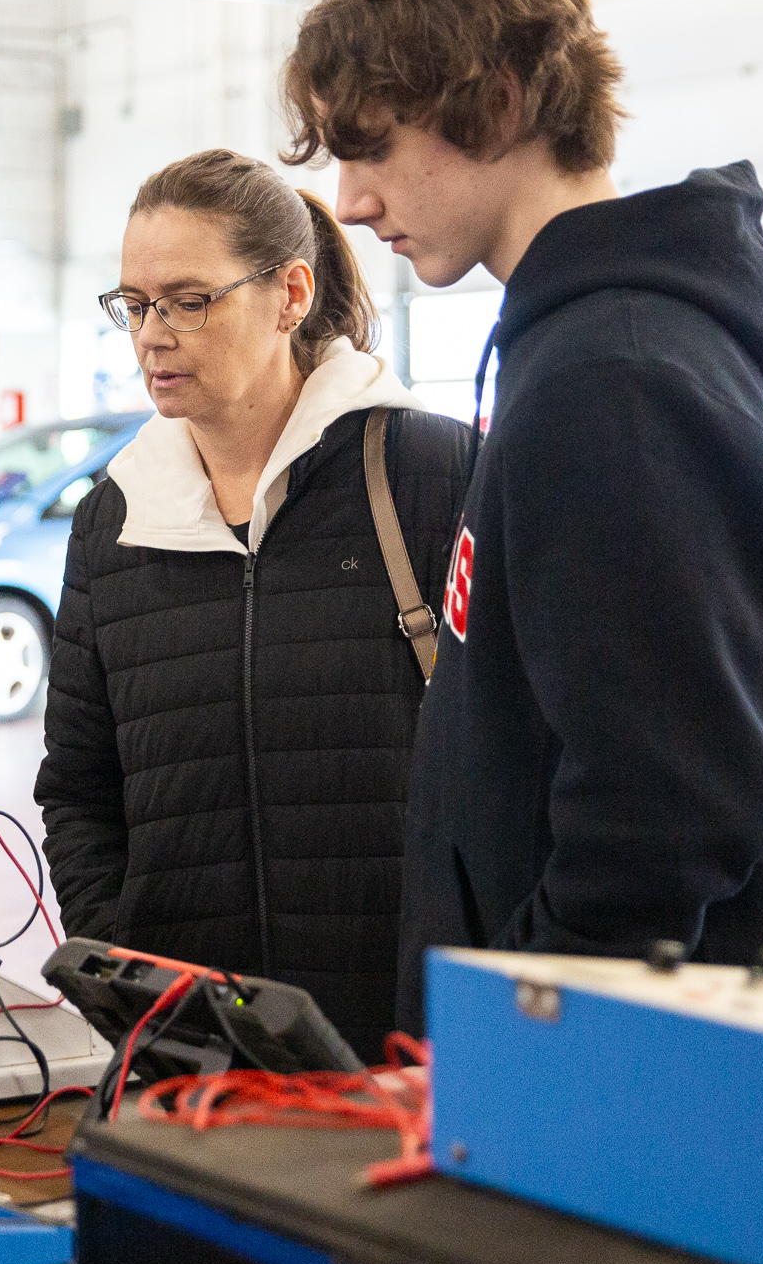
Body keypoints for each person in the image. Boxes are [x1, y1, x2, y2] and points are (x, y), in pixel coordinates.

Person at [281, 0, 763, 1035]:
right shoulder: (573, 354)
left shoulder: (616, 382)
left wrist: (521, 1033)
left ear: (492, 106)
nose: (349, 201)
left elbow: (671, 803)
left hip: (630, 1080)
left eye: (373, 146)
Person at [37, 150, 476, 1052]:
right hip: (189, 1048)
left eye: (189, 300)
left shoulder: (430, 476)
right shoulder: (115, 521)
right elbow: (80, 788)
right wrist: (122, 959)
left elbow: (514, 764)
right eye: (135, 304)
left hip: (404, 1047)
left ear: (290, 296)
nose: (152, 335)